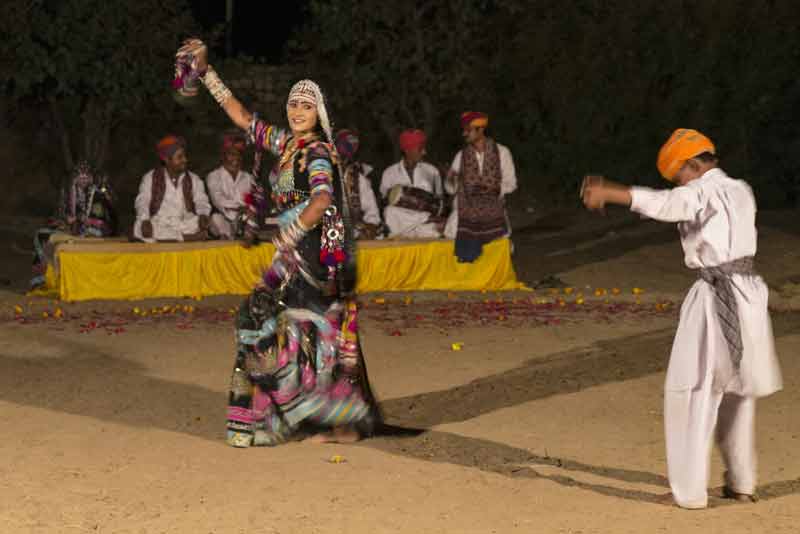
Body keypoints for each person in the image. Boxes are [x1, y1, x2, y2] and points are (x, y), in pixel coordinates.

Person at [176, 38, 380, 447]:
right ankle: (281, 418)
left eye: (306, 106)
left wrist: (293, 229)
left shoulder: (318, 151)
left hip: (312, 253)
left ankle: (325, 423)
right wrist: (206, 71)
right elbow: (241, 117)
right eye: (293, 104)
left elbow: (323, 198)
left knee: (306, 334)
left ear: (318, 112)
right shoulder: (285, 144)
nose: (297, 111)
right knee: (261, 321)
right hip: (290, 251)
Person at [580, 128, 782, 509]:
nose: (680, 184)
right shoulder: (741, 189)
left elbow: (671, 204)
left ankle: (688, 493)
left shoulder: (702, 191)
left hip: (717, 295)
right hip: (749, 293)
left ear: (693, 164)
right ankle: (742, 483)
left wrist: (612, 193)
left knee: (692, 390)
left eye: (680, 176)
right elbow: (682, 200)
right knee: (737, 393)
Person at [31, 161, 117, 289]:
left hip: (95, 231)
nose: (82, 180)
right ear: (74, 178)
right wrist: (66, 220)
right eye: (79, 177)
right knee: (40, 236)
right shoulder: (68, 190)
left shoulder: (98, 191)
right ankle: (42, 280)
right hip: (72, 230)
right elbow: (61, 214)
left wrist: (90, 221)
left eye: (86, 176)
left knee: (92, 234)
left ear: (91, 177)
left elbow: (108, 213)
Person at [444, 112, 517, 262]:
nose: (464, 133)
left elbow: (511, 184)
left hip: (492, 208)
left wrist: (488, 190)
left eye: (468, 129)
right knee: (452, 232)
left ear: (480, 129)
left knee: (498, 242)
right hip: (466, 211)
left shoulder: (502, 152)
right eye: (463, 129)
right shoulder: (461, 156)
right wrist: (451, 180)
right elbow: (450, 189)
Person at [133, 135, 212, 242]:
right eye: (180, 157)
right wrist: (145, 219)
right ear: (166, 159)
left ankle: (169, 238)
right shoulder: (150, 177)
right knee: (139, 227)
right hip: (160, 223)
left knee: (201, 222)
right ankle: (189, 238)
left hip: (184, 223)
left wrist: (203, 214)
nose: (185, 160)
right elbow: (142, 201)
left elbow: (201, 200)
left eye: (184, 156)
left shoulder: (193, 179)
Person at [380, 129, 446, 239]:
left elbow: (439, 201)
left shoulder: (432, 171)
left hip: (425, 222)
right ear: (407, 150)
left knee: (431, 226)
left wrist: (437, 214)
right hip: (401, 221)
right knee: (390, 212)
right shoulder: (389, 173)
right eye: (420, 149)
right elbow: (384, 201)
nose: (424, 152)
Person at [334, 129, 384, 239]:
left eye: (345, 157)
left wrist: (371, 227)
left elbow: (372, 213)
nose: (341, 160)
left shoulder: (359, 180)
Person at [206, 132, 256, 239]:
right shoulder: (214, 176)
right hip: (224, 221)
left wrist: (247, 210)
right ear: (223, 156)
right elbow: (218, 200)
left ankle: (239, 235)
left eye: (239, 154)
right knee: (216, 219)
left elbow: (252, 201)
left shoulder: (248, 178)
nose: (236, 158)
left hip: (244, 221)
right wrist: (241, 207)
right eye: (231, 154)